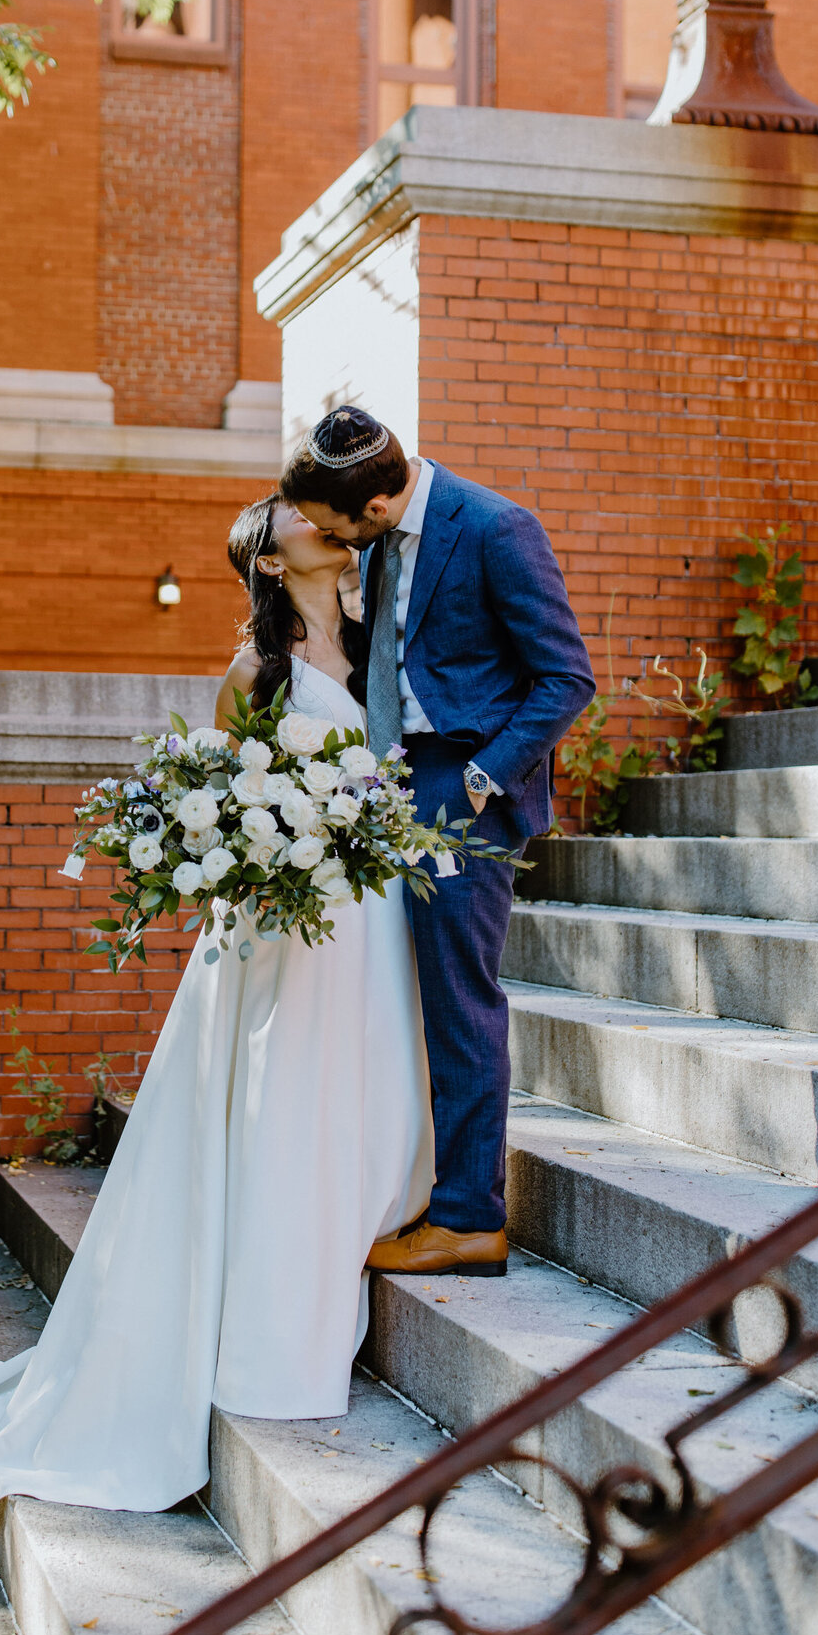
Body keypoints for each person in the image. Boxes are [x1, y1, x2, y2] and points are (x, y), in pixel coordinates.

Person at [0, 495, 434, 1539]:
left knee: (369, 1084)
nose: (324, 522)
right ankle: (274, 1315)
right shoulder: (256, 674)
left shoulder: (383, 641)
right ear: (270, 560)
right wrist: (272, 847)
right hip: (289, 925)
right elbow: (225, 797)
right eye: (298, 518)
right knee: (285, 1108)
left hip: (373, 912)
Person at [281, 408, 595, 1278]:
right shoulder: (378, 543)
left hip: (464, 796)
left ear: (377, 508)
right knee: (397, 997)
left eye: (332, 525)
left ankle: (468, 1219)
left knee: (460, 1003)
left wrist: (481, 781)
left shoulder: (498, 528)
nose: (323, 536)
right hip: (394, 788)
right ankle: (420, 1186)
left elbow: (567, 677)